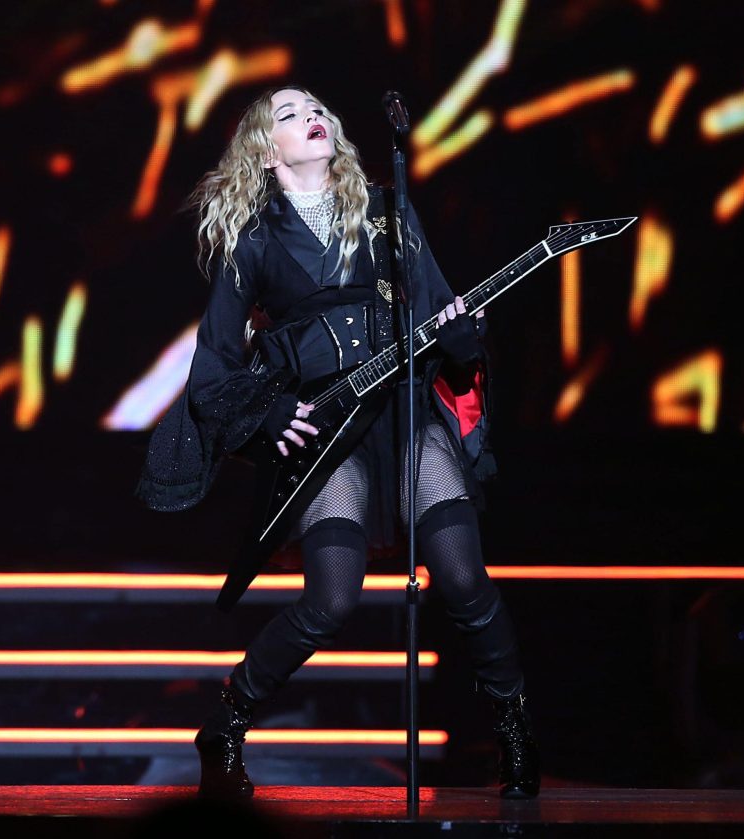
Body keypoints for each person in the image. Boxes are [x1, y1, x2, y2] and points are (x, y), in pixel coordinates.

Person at [137, 86, 538, 799]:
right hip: (331, 436)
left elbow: (445, 312)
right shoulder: (255, 237)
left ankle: (514, 727)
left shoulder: (387, 211)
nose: (311, 117)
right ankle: (227, 721)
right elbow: (214, 364)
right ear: (267, 150)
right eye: (289, 115)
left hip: (407, 413)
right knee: (331, 600)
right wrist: (268, 413)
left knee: (464, 577)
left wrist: (460, 338)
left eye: (316, 108)